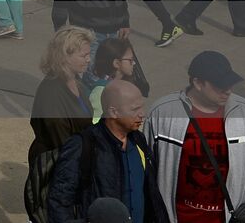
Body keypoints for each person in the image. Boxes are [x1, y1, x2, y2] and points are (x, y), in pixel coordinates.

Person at [144, 51, 245, 223]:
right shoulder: (162, 112)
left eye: (230, 84)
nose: (228, 91)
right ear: (197, 83)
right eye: (220, 85)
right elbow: (145, 168)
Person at [47, 80, 168, 223]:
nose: (142, 114)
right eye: (134, 109)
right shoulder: (83, 145)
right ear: (113, 112)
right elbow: (60, 201)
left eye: (142, 107)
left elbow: (151, 195)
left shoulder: (139, 141)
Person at [25, 27, 99, 223]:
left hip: (73, 167)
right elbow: (62, 143)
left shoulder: (77, 83)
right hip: (57, 172)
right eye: (84, 55)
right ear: (65, 56)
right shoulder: (51, 92)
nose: (88, 59)